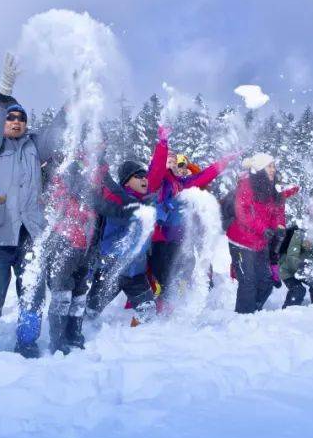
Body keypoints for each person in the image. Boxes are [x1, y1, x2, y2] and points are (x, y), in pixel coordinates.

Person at [0, 53, 65, 358]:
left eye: (21, 118)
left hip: (30, 231)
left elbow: (55, 134)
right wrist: (3, 95)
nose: (15, 121)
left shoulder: (34, 148)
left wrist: (73, 103)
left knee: (33, 292)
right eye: (10, 117)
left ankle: (27, 342)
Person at [149, 142, 237, 309]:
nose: (174, 163)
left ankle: (167, 306)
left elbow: (203, 176)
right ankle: (155, 309)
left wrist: (225, 161)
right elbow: (157, 167)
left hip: (176, 238)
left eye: (176, 161)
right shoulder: (156, 181)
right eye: (170, 160)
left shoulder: (181, 183)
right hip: (158, 237)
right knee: (161, 276)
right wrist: (162, 143)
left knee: (174, 273)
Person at [85, 152, 166, 324]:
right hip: (111, 269)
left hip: (136, 272)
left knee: (148, 316)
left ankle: (141, 344)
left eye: (145, 176)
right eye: (138, 176)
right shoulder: (120, 200)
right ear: (126, 181)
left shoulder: (144, 201)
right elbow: (123, 213)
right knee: (89, 313)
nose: (144, 179)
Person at [226, 153, 298, 314]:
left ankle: (252, 311)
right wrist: (262, 229)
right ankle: (243, 317)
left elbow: (277, 213)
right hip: (241, 241)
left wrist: (279, 227)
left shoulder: (274, 189)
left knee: (266, 281)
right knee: (248, 281)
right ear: (259, 168)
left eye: (274, 166)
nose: (273, 169)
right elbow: (242, 212)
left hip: (260, 242)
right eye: (269, 166)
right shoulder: (246, 185)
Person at [43, 157, 100, 354]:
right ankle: (57, 339)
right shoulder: (64, 177)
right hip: (64, 242)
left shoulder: (91, 180)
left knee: (79, 292)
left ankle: (74, 333)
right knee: (62, 292)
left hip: (84, 246)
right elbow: (56, 194)